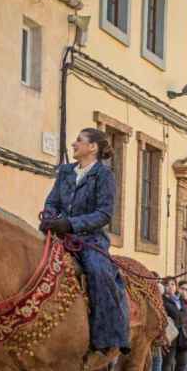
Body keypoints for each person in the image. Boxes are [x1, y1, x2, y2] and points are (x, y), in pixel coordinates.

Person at [40, 128, 129, 354]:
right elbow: (52, 202)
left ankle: (108, 336)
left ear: (93, 147)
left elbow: (104, 214)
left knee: (99, 272)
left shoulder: (104, 175)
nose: (73, 144)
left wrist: (71, 224)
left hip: (90, 241)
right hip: (59, 236)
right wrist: (50, 218)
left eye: (79, 140)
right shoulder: (65, 172)